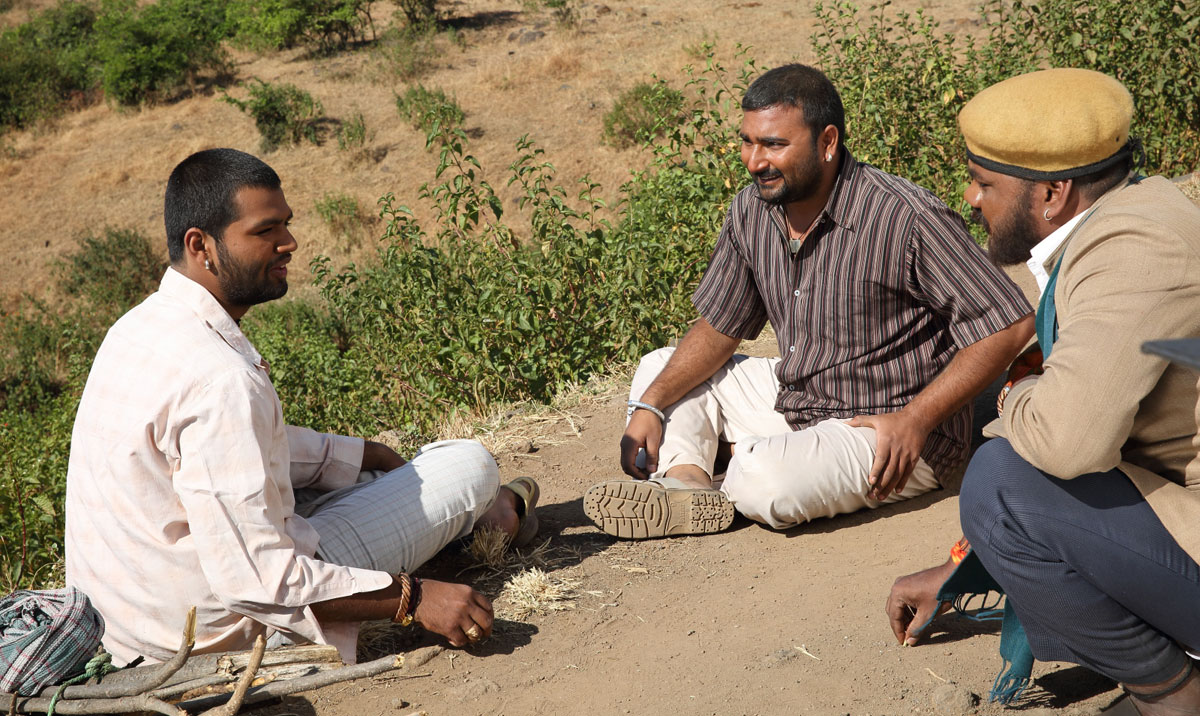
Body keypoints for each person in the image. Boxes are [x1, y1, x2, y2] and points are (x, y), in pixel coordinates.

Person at [64, 148, 540, 666]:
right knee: (468, 464)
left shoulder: (136, 329)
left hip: (127, 628)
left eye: (286, 224)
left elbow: (231, 452)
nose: (288, 242)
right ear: (201, 245)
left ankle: (466, 522)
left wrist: (366, 454)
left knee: (364, 477)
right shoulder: (221, 379)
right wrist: (414, 598)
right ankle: (488, 520)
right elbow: (257, 582)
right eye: (265, 230)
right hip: (218, 635)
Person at [583, 63, 1033, 539]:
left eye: (774, 144)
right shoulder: (752, 210)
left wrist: (915, 419)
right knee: (660, 368)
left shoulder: (905, 217)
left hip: (889, 430)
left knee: (763, 479)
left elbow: (1009, 324)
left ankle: (738, 459)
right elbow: (719, 327)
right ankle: (688, 486)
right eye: (747, 142)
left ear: (827, 142)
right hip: (800, 399)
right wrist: (650, 406)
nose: (755, 161)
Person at [885, 69, 1200, 715]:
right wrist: (963, 570)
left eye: (984, 183)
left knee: (1000, 480)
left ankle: (1173, 692)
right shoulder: (1129, 215)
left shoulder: (1135, 251)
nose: (971, 197)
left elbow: (1066, 442)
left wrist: (1016, 392)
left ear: (1053, 193)